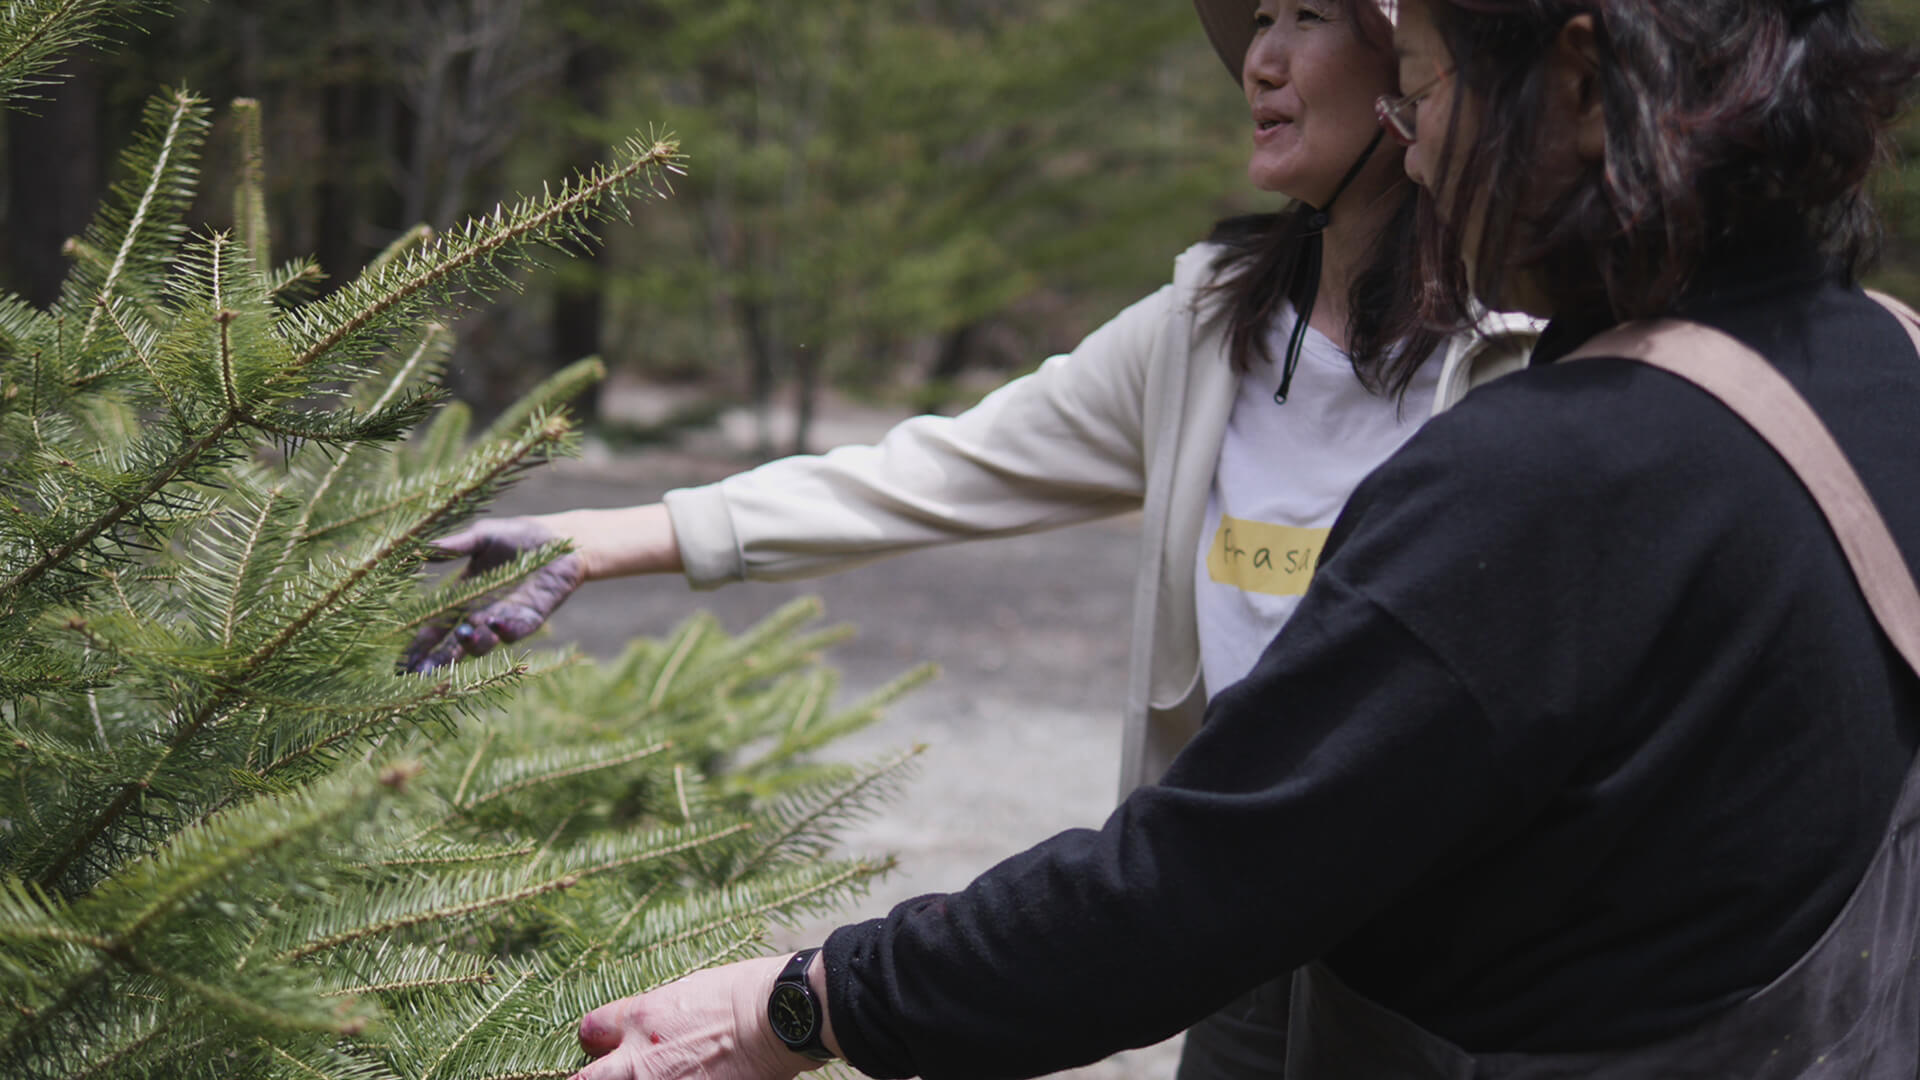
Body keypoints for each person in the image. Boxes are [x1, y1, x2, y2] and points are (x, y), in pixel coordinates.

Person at [563, 0, 1920, 1077]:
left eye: (1430, 87)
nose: (1422, 140)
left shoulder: (1542, 474)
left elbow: (1186, 886)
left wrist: (798, 1004)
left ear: (1577, 79)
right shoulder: (1887, 368)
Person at [414, 3, 1531, 1076]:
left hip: (1441, 943)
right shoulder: (1207, 327)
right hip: (1236, 922)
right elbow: (937, 470)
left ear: (1414, 65)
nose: (1261, 61)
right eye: (1258, 22)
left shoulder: (1519, 352)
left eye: (1309, 20)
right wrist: (597, 537)